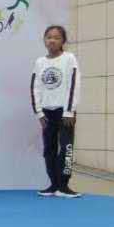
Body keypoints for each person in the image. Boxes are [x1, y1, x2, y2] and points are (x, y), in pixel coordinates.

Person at [31, 24, 82, 198]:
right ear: (44, 40)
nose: (52, 40)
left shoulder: (69, 58)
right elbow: (35, 87)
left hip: (64, 112)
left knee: (66, 148)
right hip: (47, 112)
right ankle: (53, 185)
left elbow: (74, 84)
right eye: (49, 37)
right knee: (49, 149)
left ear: (63, 41)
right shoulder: (40, 62)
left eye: (56, 37)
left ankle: (64, 186)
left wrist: (70, 110)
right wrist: (39, 112)